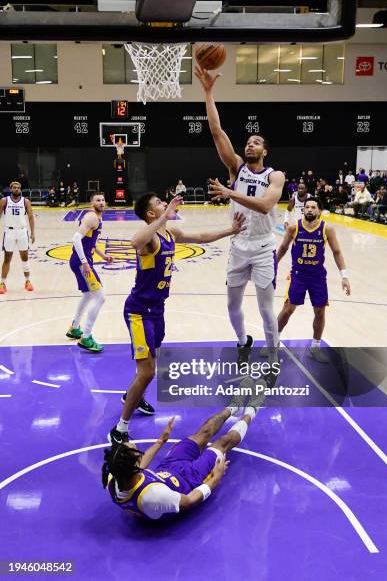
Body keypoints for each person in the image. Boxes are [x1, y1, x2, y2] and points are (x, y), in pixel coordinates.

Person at [108, 193, 246, 445]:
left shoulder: (170, 233)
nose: (165, 204)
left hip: (157, 310)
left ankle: (131, 395)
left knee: (150, 365)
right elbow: (133, 241)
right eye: (160, 203)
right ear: (151, 214)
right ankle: (120, 427)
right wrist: (163, 215)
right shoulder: (150, 239)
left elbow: (202, 237)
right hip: (139, 311)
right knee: (147, 371)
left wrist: (231, 230)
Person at [195, 65, 285, 363]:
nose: (250, 144)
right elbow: (216, 131)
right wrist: (209, 94)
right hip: (238, 247)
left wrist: (230, 193)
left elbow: (264, 206)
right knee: (232, 306)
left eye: (256, 142)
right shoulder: (236, 167)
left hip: (262, 248)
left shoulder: (276, 176)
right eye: (248, 141)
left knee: (265, 308)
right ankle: (242, 339)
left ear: (265, 152)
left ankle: (272, 353)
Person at [103, 384, 264, 520]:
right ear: (133, 467)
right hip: (190, 480)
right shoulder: (153, 496)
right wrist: (214, 480)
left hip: (167, 469)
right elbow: (189, 501)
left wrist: (161, 441)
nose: (138, 450)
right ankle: (251, 410)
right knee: (222, 443)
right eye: (136, 453)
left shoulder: (115, 478)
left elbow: (141, 465)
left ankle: (233, 406)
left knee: (204, 432)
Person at [277, 197, 351, 362]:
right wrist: (272, 267)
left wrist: (344, 276)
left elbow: (337, 252)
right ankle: (272, 342)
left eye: (313, 207)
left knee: (319, 311)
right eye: (307, 207)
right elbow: (282, 248)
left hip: (317, 276)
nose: (309, 209)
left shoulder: (327, 229)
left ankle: (315, 347)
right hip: (298, 275)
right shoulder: (294, 227)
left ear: (319, 211)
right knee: (288, 309)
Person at [67, 192, 113, 352]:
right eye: (97, 200)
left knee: (88, 295)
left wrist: (102, 255)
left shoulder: (97, 218)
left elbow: (90, 242)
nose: (101, 202)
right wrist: (85, 263)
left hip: (80, 260)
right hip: (81, 261)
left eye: (103, 199)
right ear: (91, 203)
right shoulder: (91, 217)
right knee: (100, 297)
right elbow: (76, 238)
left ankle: (74, 328)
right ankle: (86, 337)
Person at [0, 181, 35, 294]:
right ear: (10, 189)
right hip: (9, 231)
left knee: (24, 257)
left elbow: (30, 217)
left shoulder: (26, 201)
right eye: (14, 188)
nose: (16, 189)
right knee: (7, 258)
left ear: (20, 189)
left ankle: (27, 281)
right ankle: (3, 283)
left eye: (18, 188)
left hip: (22, 231)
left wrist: (33, 232)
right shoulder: (4, 201)